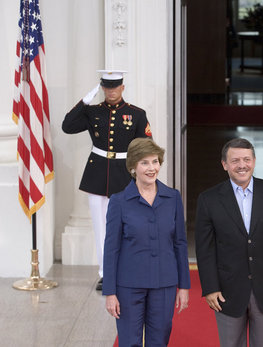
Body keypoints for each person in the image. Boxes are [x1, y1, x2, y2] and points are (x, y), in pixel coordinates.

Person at [195, 138, 263, 347]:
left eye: (246, 159)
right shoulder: (208, 199)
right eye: (235, 160)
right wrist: (210, 287)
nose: (242, 165)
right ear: (224, 164)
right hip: (226, 292)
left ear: (255, 161)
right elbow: (205, 249)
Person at [62, 70, 152, 290]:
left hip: (125, 174)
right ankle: (106, 272)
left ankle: (127, 270)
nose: (111, 91)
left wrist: (143, 177)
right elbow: (67, 126)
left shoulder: (136, 114)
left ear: (122, 87)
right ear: (102, 88)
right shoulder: (92, 112)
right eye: (107, 87)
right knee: (100, 226)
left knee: (127, 226)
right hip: (98, 174)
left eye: (115, 87)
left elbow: (144, 147)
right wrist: (84, 101)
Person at [103, 138, 190, 346]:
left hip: (164, 283)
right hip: (128, 285)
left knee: (159, 340)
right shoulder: (119, 201)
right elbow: (111, 249)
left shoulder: (173, 198)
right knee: (129, 341)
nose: (152, 168)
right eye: (145, 163)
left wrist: (184, 286)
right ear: (133, 167)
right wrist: (110, 292)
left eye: (155, 161)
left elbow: (180, 243)